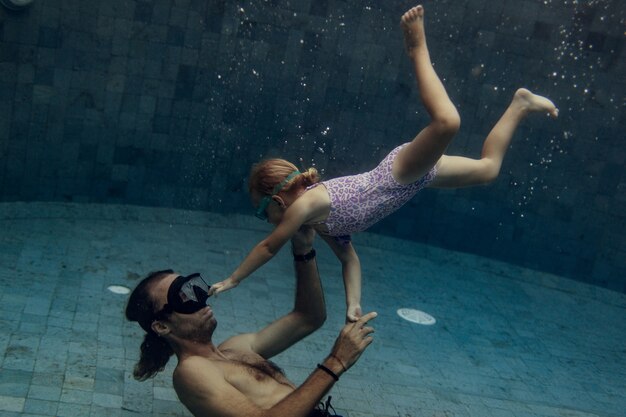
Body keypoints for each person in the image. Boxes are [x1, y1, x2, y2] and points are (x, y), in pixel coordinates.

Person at [209, 5, 559, 323]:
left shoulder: (308, 204)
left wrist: (233, 279)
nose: (266, 221)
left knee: (448, 122)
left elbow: (270, 245)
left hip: (399, 173)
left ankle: (417, 47)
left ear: (279, 200)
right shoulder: (323, 224)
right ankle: (519, 104)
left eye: (262, 212)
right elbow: (350, 261)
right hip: (417, 178)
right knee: (488, 170)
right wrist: (353, 305)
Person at [125, 226, 377, 417]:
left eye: (194, 287)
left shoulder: (237, 348)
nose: (200, 299)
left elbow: (308, 317)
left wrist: (303, 249)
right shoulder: (191, 372)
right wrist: (337, 362)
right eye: (182, 297)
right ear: (161, 326)